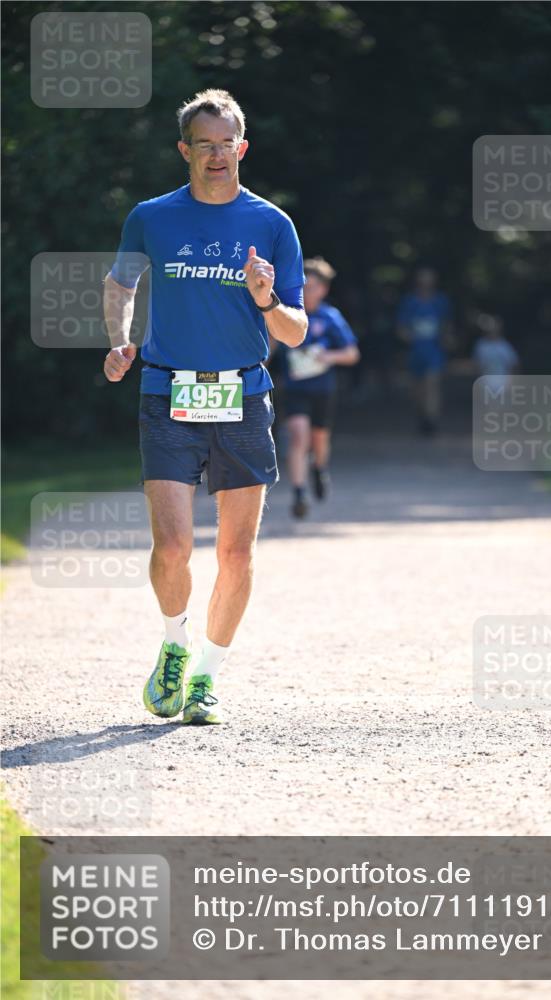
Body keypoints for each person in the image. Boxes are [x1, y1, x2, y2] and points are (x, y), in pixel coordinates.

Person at [103, 89, 307, 725]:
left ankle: (205, 680)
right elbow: (120, 283)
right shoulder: (151, 217)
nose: (216, 155)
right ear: (184, 150)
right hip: (167, 392)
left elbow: (297, 332)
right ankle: (173, 644)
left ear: (242, 148)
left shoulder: (272, 224)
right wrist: (119, 339)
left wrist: (267, 299)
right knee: (171, 547)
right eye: (204, 144)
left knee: (237, 556)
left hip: (243, 397)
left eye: (227, 144)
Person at [277, 257, 360, 519]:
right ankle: (299, 492)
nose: (306, 292)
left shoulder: (330, 317)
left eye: (312, 287)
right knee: (299, 436)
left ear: (323, 289)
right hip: (295, 389)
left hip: (323, 389)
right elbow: (268, 350)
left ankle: (319, 468)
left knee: (319, 438)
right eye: (302, 287)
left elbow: (352, 353)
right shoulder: (286, 313)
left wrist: (329, 357)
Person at [396, 267, 452, 435]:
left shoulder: (440, 301)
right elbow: (401, 328)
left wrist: (445, 338)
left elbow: (446, 325)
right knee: (418, 391)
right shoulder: (410, 302)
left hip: (434, 351)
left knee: (432, 385)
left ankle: (431, 421)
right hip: (415, 352)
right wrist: (411, 337)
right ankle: (423, 416)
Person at [472, 313, 519, 394]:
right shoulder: (481, 346)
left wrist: (511, 383)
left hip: (503, 385)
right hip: (486, 386)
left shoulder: (505, 346)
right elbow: (476, 366)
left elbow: (513, 365)